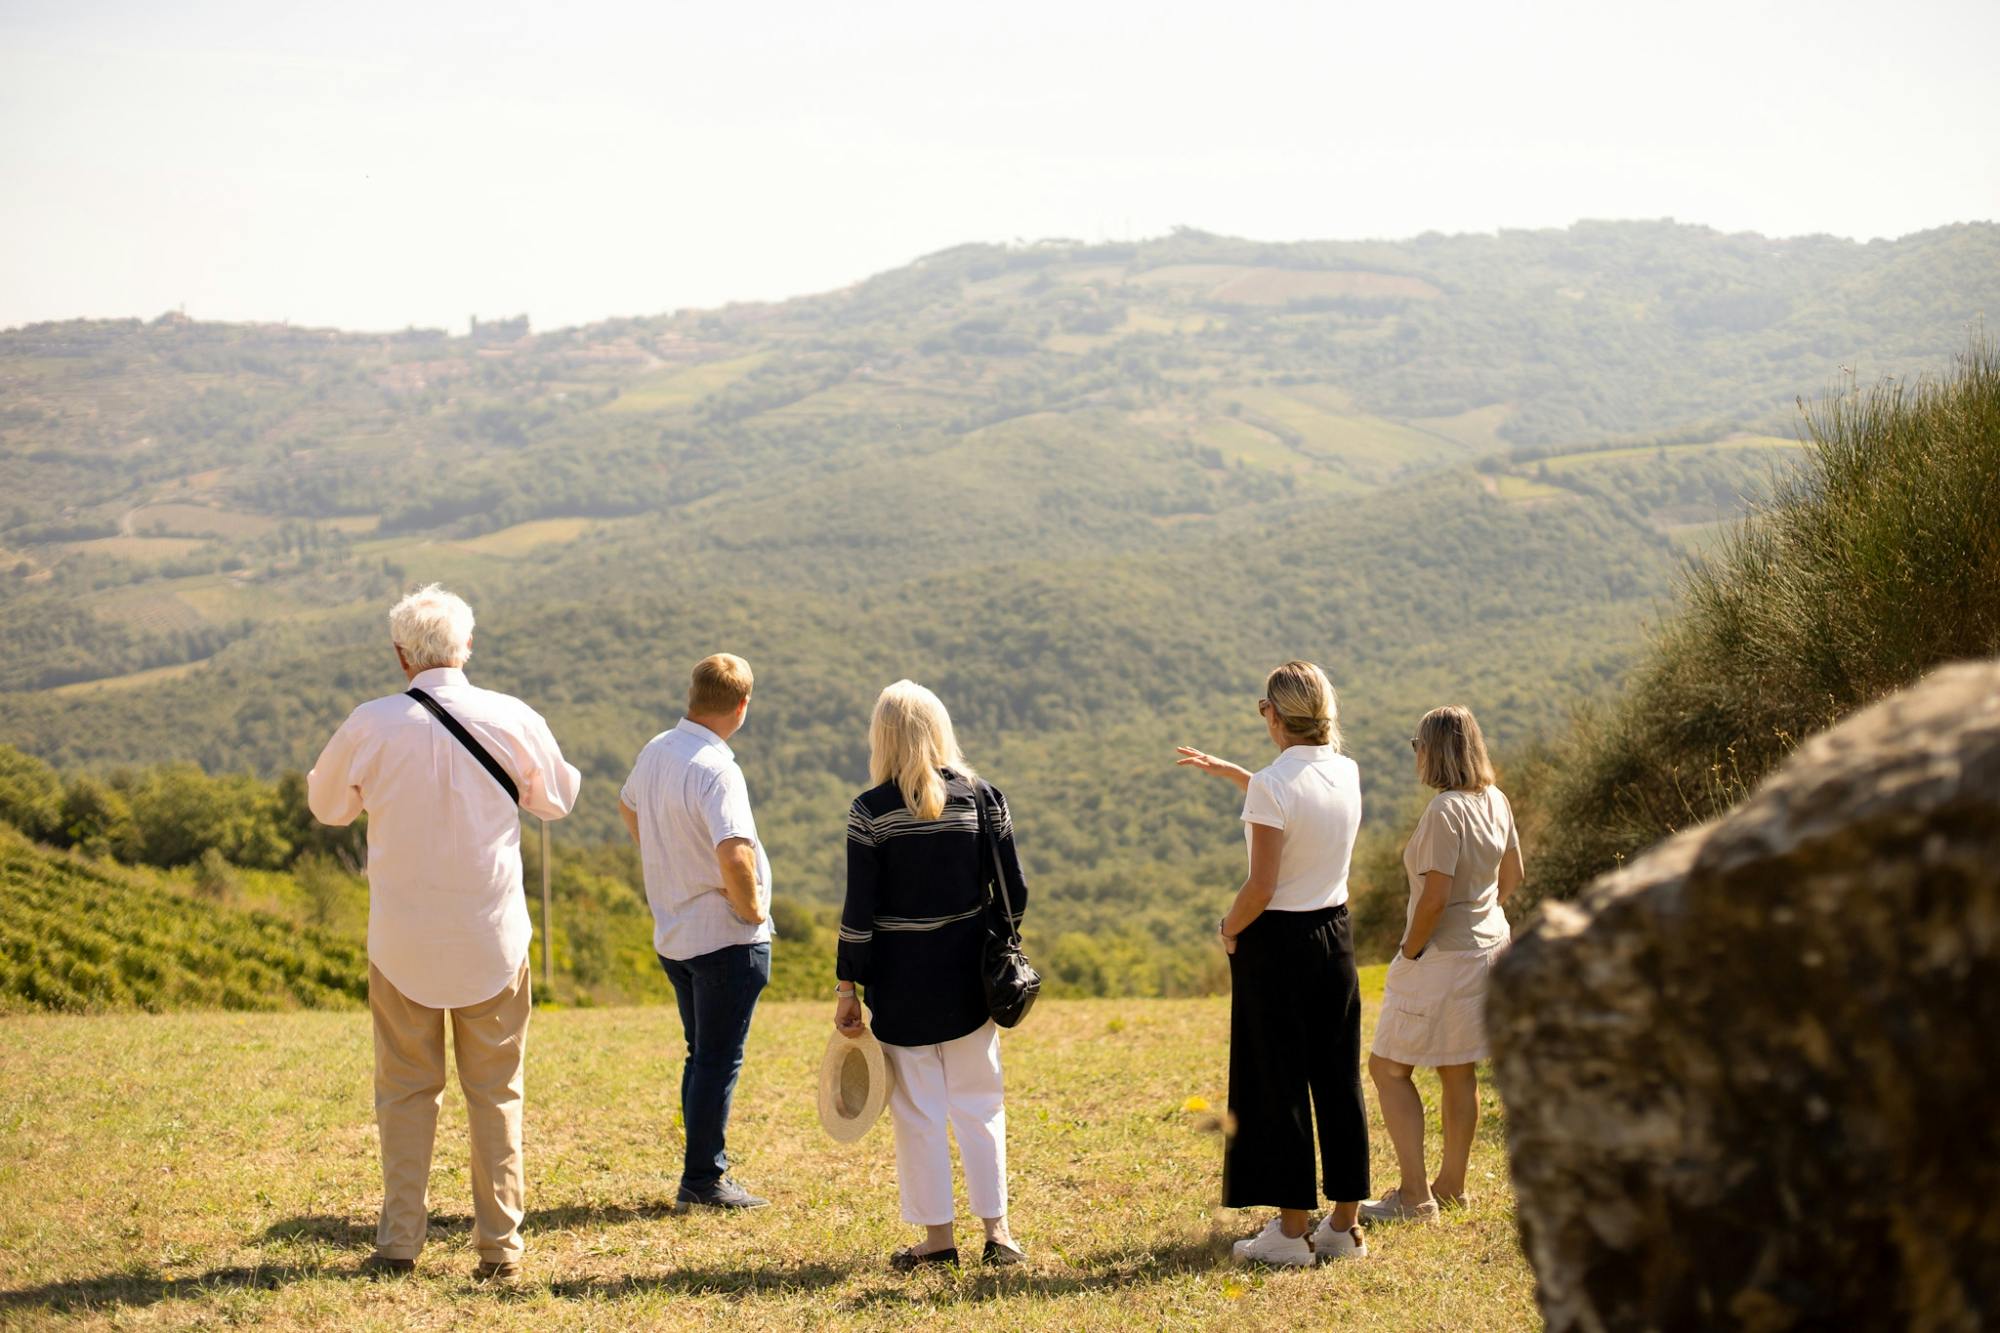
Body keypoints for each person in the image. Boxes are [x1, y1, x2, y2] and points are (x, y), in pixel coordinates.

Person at [307, 583, 580, 1286]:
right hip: (492, 937)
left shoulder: (371, 722)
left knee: (404, 1090)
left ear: (401, 654)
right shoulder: (510, 715)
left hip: (400, 942)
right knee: (497, 1092)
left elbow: (327, 803)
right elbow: (558, 797)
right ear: (467, 647)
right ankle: (501, 1244)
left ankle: (400, 1237)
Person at [1176, 660, 1369, 1266]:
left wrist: (1228, 930)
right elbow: (1298, 801)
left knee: (1276, 1080)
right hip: (1335, 936)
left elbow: (1260, 886)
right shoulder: (1347, 771)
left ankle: (1289, 1234)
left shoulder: (1272, 786)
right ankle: (1343, 1226)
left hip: (1278, 943)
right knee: (1337, 1077)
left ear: (1274, 715)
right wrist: (1237, 774)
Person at [834, 680, 1029, 1271]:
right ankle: (998, 1234)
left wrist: (848, 986)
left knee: (917, 1111)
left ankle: (938, 1241)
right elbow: (1014, 893)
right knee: (981, 1103)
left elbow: (858, 913)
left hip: (899, 986)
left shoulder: (869, 812)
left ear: (882, 736)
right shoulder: (983, 797)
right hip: (972, 980)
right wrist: (989, 940)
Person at [620, 653, 773, 1210]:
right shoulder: (718, 768)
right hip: (725, 936)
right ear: (742, 705)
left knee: (700, 1054)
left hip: (676, 932)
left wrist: (665, 858)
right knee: (717, 1059)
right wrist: (753, 911)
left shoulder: (658, 748)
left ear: (693, 694)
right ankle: (703, 1178)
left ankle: (702, 1169)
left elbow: (627, 804)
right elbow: (735, 853)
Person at [1363, 705, 1523, 1224]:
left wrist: (1409, 951)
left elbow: (1434, 898)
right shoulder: (1494, 799)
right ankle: (1451, 1186)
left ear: (1435, 751)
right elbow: (1514, 873)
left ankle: (1414, 1196)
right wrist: (1485, 914)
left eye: (1417, 744)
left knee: (1387, 1068)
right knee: (1458, 1070)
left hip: (1441, 957)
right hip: (1487, 948)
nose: (1415, 753)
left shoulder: (1445, 812)